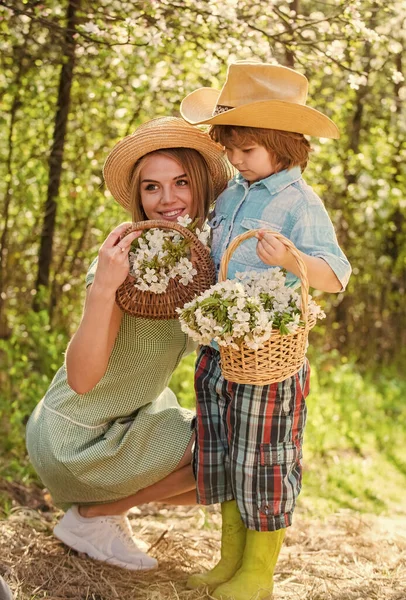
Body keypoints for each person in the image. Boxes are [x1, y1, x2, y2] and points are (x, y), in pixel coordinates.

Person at [26, 116, 232, 571]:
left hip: (125, 421)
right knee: (224, 444)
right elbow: (81, 380)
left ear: (200, 184)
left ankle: (100, 517)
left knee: (233, 465)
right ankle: (94, 516)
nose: (168, 199)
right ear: (138, 198)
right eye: (151, 188)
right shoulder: (125, 260)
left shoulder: (201, 261)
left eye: (180, 182)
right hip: (74, 438)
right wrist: (103, 289)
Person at [180, 61, 352, 599]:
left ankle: (258, 572)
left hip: (268, 359)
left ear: (283, 145)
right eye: (229, 148)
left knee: (266, 459)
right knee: (224, 452)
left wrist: (294, 258)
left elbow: (336, 275)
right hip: (220, 350)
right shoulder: (234, 193)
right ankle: (229, 558)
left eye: (245, 150)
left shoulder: (300, 203)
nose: (234, 159)